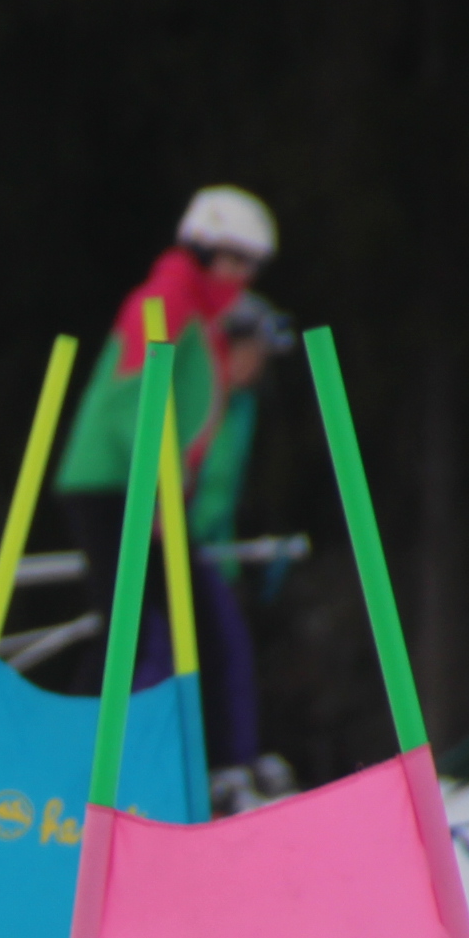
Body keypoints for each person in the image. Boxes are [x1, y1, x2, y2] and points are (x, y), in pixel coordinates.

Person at [50, 185, 278, 688]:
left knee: (191, 630)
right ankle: (88, 732)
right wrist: (157, 493)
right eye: (235, 259)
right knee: (131, 634)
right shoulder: (166, 299)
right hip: (113, 483)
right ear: (201, 249)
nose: (243, 276)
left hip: (143, 485)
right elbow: (134, 400)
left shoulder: (204, 316)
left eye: (253, 264)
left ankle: (197, 738)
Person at [185, 291, 298, 803]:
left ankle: (234, 759)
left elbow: (227, 491)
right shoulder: (197, 393)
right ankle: (216, 761)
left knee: (232, 645)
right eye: (250, 352)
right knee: (190, 650)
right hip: (172, 542)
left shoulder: (243, 405)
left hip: (211, 547)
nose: (255, 366)